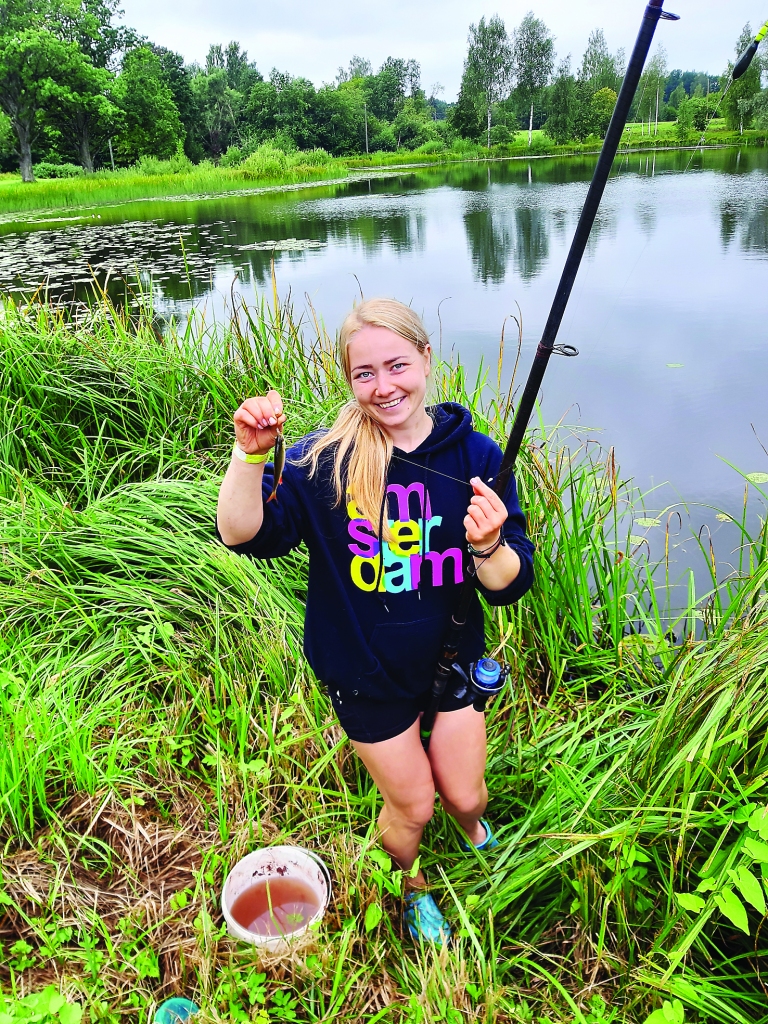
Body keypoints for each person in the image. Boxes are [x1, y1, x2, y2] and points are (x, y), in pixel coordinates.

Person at [216, 298, 534, 943]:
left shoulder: (476, 455)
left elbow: (510, 584)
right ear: (348, 378)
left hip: (453, 660)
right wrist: (249, 456)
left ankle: (473, 829)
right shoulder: (324, 461)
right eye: (365, 373)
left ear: (426, 359)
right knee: (413, 807)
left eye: (397, 365)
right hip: (364, 671)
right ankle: (410, 885)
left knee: (466, 796)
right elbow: (242, 532)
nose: (384, 386)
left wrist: (489, 545)